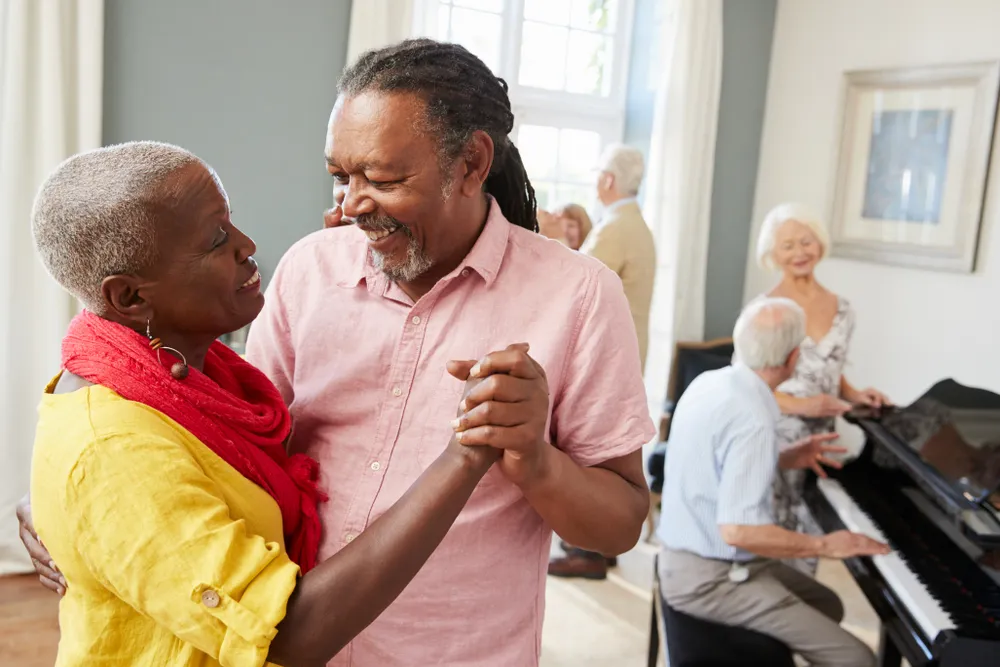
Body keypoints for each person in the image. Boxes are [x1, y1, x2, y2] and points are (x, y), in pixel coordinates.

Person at [23, 39, 654, 667]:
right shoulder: (309, 270)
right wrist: (76, 503)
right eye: (340, 176)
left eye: (381, 179)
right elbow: (224, 440)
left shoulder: (578, 295)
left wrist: (535, 460)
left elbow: (621, 523)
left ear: (470, 164)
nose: (350, 206)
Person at [21, 140, 511, 666]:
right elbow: (287, 634)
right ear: (131, 297)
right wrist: (465, 453)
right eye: (215, 240)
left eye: (232, 223)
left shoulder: (192, 379)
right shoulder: (112, 449)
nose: (248, 245)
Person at [656, 297, 889, 667]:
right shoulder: (753, 416)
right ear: (795, 357)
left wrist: (784, 457)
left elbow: (714, 467)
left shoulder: (712, 383)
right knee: (857, 658)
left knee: (828, 604)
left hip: (679, 558)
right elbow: (739, 532)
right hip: (710, 578)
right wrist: (825, 545)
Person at [754, 202, 890, 575]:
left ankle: (798, 615)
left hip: (822, 444)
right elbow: (747, 390)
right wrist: (804, 407)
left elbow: (830, 370)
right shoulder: (766, 311)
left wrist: (855, 394)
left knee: (812, 539)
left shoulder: (842, 308)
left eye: (806, 241)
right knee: (775, 540)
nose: (799, 252)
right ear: (772, 254)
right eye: (787, 246)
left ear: (820, 243)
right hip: (778, 440)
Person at [548, 143, 656, 580]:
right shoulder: (636, 226)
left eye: (596, 176)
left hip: (606, 355)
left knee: (586, 449)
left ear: (608, 181)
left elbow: (575, 287)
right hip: (629, 349)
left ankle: (586, 550)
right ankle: (599, 549)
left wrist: (550, 241)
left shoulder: (614, 229)